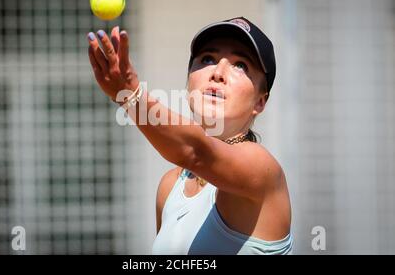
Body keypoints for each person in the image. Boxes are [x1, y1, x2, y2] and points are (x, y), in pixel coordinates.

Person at [87, 17, 293, 255]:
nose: (218, 73)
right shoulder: (170, 186)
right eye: (207, 59)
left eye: (241, 65)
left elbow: (196, 153)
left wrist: (131, 95)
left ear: (260, 101)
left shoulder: (262, 168)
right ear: (188, 83)